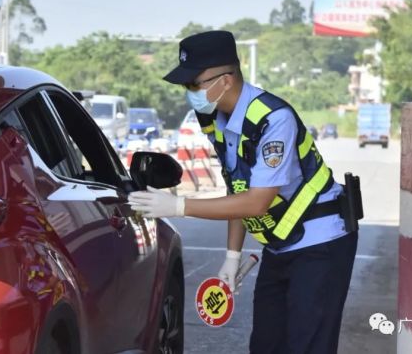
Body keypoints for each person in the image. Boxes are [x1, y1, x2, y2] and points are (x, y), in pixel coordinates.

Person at [128, 30, 358, 354]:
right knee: (265, 344)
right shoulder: (214, 118)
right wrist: (232, 257)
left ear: (226, 78)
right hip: (280, 247)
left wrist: (179, 205)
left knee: (307, 345)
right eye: (186, 86)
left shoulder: (273, 119)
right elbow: (238, 187)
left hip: (321, 242)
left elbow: (257, 200)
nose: (190, 93)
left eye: (195, 84)